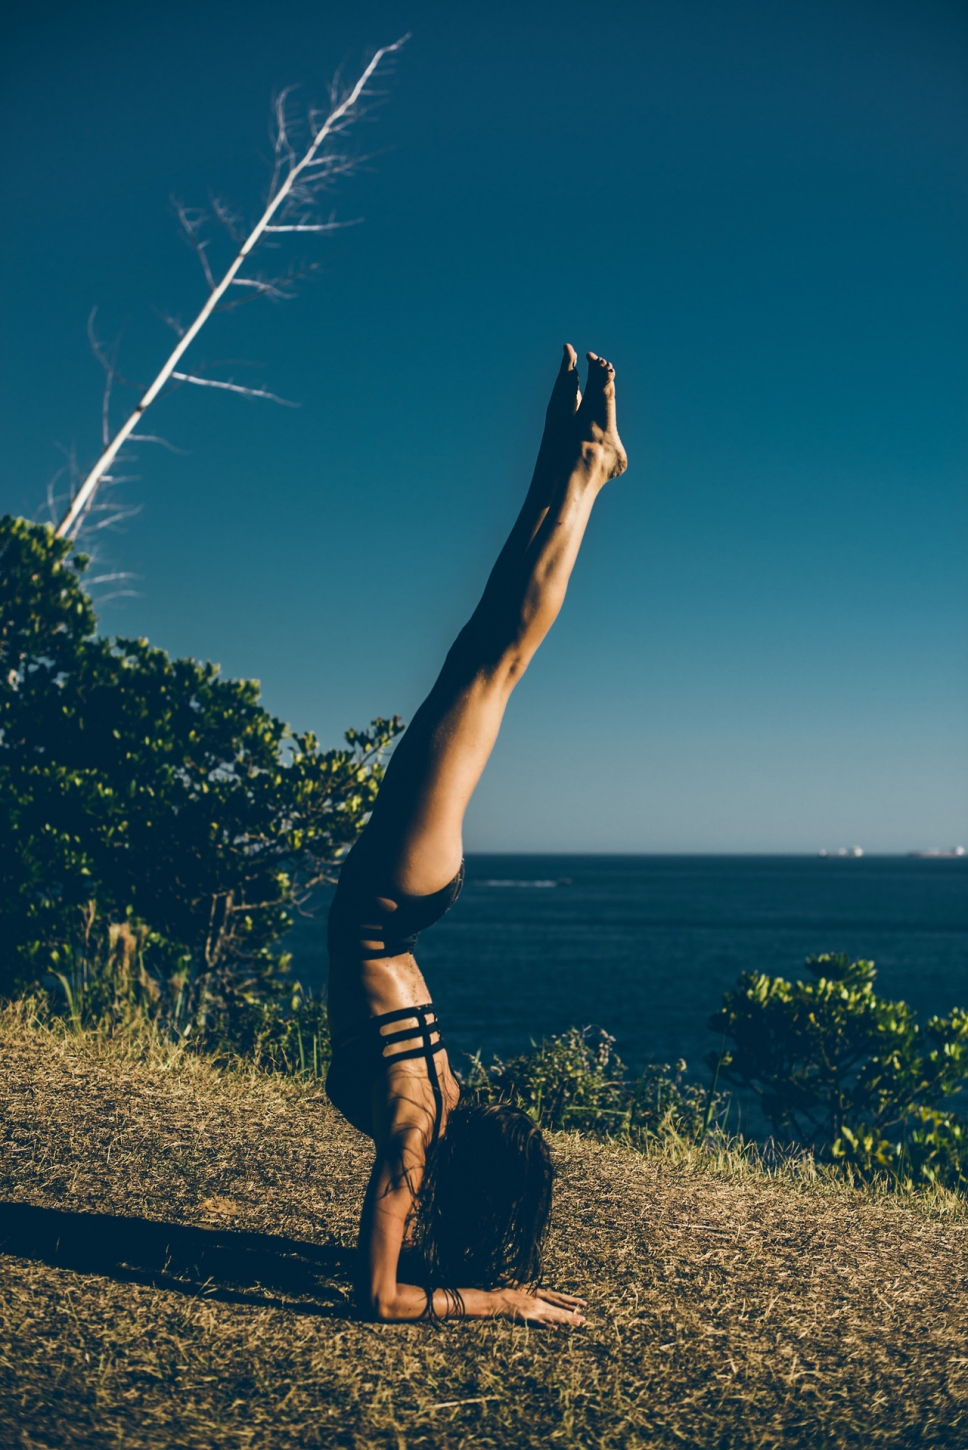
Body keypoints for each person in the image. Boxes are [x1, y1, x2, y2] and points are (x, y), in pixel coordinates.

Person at [326, 345, 628, 1324]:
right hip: (385, 907)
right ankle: (574, 468)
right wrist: (504, 1295)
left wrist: (505, 1300)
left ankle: (571, 464)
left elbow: (376, 1299)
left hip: (400, 906)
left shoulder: (421, 1120)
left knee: (485, 652)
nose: (501, 1112)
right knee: (489, 658)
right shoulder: (425, 1112)